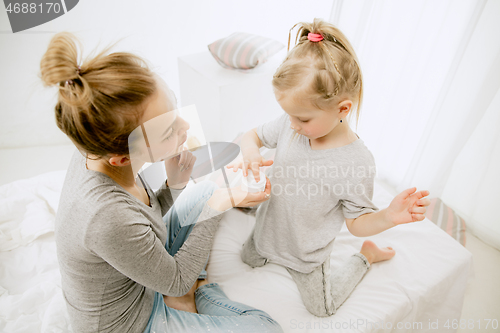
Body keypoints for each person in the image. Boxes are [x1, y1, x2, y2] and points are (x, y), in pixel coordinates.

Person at [40, 32, 283, 333]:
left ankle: (191, 280)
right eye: (169, 131)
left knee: (209, 188)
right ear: (122, 158)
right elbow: (177, 281)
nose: (185, 127)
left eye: (175, 111)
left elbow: (143, 218)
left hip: (140, 272)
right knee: (266, 327)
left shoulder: (98, 147)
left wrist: (174, 186)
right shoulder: (105, 216)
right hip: (132, 322)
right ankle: (203, 292)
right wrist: (216, 206)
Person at [228, 18, 431, 317]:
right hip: (267, 234)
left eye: (303, 119)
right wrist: (250, 153)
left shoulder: (357, 163)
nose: (293, 125)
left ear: (343, 108)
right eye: (289, 115)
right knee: (246, 259)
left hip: (306, 255)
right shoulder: (290, 123)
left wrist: (388, 216)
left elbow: (357, 222)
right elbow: (252, 136)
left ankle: (366, 258)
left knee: (323, 309)